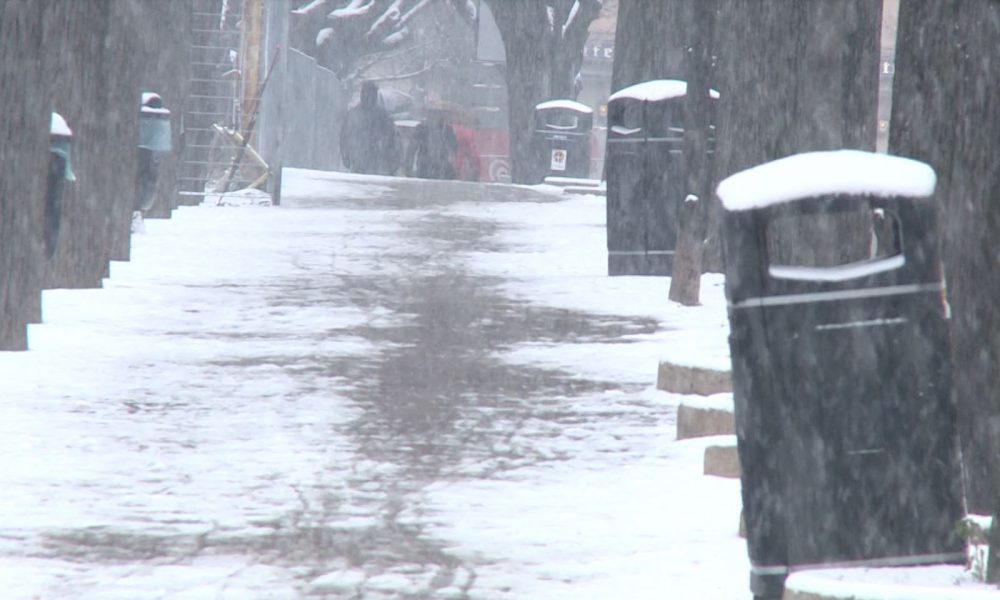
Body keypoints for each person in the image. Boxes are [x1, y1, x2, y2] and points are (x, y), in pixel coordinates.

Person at [340, 81, 400, 175]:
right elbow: (344, 137)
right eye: (365, 93)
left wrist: (392, 158)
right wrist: (345, 155)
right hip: (362, 159)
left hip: (375, 160)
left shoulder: (382, 115)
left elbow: (392, 139)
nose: (368, 96)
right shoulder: (354, 115)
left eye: (370, 94)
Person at [404, 111, 458, 180]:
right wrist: (408, 168)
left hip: (440, 169)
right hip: (426, 168)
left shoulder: (447, 130)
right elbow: (412, 149)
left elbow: (454, 149)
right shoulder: (422, 128)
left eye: (437, 113)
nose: (435, 116)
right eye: (433, 113)